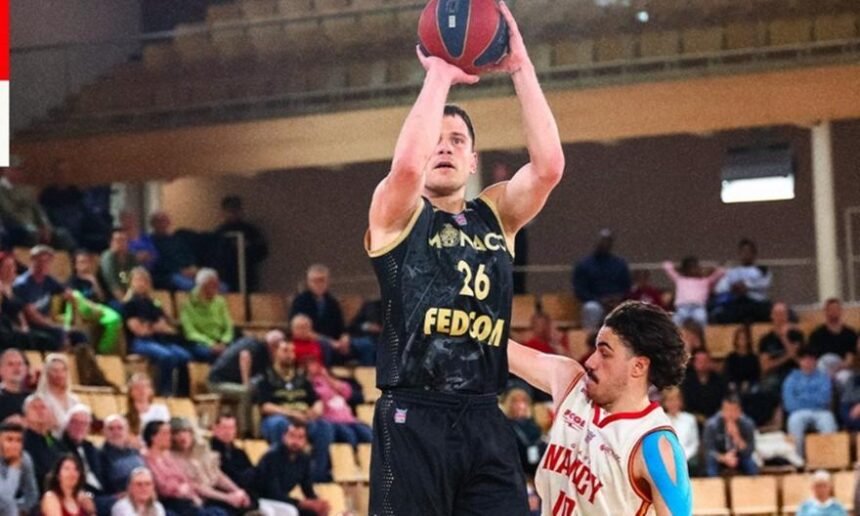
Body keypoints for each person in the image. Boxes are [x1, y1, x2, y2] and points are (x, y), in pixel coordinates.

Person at [365, 3, 565, 513]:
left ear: (473, 160)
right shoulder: (396, 214)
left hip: (483, 415)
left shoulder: (495, 213)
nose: (444, 148)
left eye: (457, 141)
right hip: (412, 414)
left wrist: (521, 67)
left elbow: (548, 167)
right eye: (436, 140)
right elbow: (405, 169)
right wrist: (438, 75)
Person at [509, 301, 691, 514]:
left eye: (605, 353)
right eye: (595, 349)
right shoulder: (571, 383)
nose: (590, 361)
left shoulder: (654, 444)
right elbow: (497, 348)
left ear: (638, 366)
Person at [252, 340, 333, 482]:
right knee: (280, 425)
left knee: (324, 427)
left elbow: (317, 400)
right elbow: (265, 407)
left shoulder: (301, 377)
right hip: (277, 418)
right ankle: (281, 474)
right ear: (275, 353)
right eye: (285, 351)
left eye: (292, 351)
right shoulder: (265, 376)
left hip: (303, 418)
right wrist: (291, 414)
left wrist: (316, 410)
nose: (290, 355)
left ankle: (317, 476)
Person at [122, 267, 191, 396]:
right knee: (167, 356)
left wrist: (153, 327)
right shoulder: (129, 305)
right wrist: (155, 327)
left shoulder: (154, 304)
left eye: (144, 281)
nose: (141, 283)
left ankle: (182, 394)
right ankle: (164, 392)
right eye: (138, 280)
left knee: (184, 356)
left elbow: (166, 326)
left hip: (159, 340)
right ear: (131, 283)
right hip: (140, 342)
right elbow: (138, 330)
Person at [169, 417, 252, 515]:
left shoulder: (201, 451)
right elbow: (196, 486)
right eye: (177, 433)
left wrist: (237, 491)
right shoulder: (170, 458)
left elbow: (217, 475)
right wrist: (227, 498)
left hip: (212, 495)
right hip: (194, 501)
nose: (182, 436)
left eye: (185, 431)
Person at [141, 420, 225, 516]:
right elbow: (163, 487)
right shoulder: (147, 460)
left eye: (169, 433)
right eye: (165, 433)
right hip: (170, 504)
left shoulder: (167, 456)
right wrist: (180, 489)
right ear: (153, 437)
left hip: (187, 500)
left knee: (219, 512)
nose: (169, 437)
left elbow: (185, 479)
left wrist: (190, 493)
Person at [13, 245, 88, 349]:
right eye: (41, 261)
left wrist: (70, 316)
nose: (44, 265)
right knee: (59, 334)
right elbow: (31, 315)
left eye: (47, 262)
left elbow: (67, 293)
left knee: (80, 336)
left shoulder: (48, 280)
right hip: (31, 325)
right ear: (32, 260)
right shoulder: (22, 284)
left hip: (47, 323)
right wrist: (53, 325)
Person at [208, 330, 280, 437]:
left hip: (232, 382)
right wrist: (246, 383)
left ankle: (260, 430)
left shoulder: (263, 351)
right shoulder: (257, 346)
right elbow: (244, 355)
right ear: (274, 345)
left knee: (261, 392)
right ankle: (246, 431)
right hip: (217, 382)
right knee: (246, 392)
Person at [255, 422, 329, 516]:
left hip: (282, 500)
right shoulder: (272, 457)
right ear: (284, 437)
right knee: (290, 511)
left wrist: (317, 502)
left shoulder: (304, 459)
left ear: (306, 441)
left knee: (312, 513)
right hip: (261, 499)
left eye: (300, 437)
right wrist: (301, 503)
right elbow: (272, 492)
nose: (295, 441)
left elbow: (307, 487)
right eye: (292, 436)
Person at [57, 404, 116, 515]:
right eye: (75, 422)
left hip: (103, 495)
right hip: (84, 496)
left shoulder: (91, 448)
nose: (79, 427)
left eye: (84, 424)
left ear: (89, 428)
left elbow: (105, 475)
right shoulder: (59, 448)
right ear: (67, 424)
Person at [782, 347, 837, 458]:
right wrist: (812, 400)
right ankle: (798, 460)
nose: (807, 362)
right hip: (798, 412)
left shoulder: (823, 377)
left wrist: (802, 398)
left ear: (815, 361)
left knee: (829, 421)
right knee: (794, 421)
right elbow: (789, 404)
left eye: (810, 359)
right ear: (799, 361)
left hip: (820, 411)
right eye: (804, 359)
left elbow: (824, 399)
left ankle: (829, 459)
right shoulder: (791, 379)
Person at [305, 357, 372, 448]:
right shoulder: (311, 386)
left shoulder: (332, 381)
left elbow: (347, 392)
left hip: (350, 420)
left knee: (369, 434)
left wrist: (326, 377)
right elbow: (316, 398)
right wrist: (311, 378)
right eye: (311, 365)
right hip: (332, 421)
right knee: (350, 436)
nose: (316, 367)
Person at [572, 229, 632, 331]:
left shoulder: (620, 264)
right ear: (597, 242)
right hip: (594, 301)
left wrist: (618, 298)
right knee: (591, 308)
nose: (604, 244)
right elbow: (580, 290)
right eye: (602, 241)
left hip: (616, 301)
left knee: (630, 310)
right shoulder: (584, 265)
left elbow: (627, 287)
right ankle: (590, 336)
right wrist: (599, 300)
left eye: (607, 241)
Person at [67, 250, 122, 354]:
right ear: (76, 266)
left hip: (98, 309)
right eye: (81, 262)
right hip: (81, 309)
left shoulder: (96, 279)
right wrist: (90, 305)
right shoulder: (72, 281)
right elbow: (71, 298)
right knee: (76, 295)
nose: (85, 265)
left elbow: (102, 298)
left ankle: (103, 351)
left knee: (115, 319)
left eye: (87, 262)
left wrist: (94, 281)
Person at [214, 195, 268, 293]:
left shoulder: (251, 231)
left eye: (236, 209)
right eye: (229, 210)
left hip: (247, 277)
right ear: (223, 212)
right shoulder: (218, 233)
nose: (233, 213)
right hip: (225, 278)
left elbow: (263, 252)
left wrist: (248, 247)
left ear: (240, 210)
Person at [711, 238, 773, 323]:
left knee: (770, 311)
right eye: (743, 251)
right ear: (739, 253)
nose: (746, 254)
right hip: (739, 302)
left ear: (754, 254)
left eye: (748, 251)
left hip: (757, 302)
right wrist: (732, 288)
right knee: (720, 314)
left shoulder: (762, 270)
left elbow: (766, 283)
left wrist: (747, 286)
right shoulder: (733, 271)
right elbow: (721, 288)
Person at [178, 268, 234, 362]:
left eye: (217, 284)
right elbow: (190, 332)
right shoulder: (187, 304)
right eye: (213, 285)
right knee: (213, 355)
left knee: (237, 352)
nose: (217, 288)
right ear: (202, 287)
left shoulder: (220, 301)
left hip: (220, 341)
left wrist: (224, 341)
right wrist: (211, 344)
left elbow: (228, 326)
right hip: (201, 343)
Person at [702, 394, 758, 477]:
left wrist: (737, 437)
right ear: (722, 410)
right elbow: (708, 450)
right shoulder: (711, 425)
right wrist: (724, 458)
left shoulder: (748, 424)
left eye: (733, 410)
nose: (730, 414)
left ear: (740, 411)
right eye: (727, 410)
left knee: (750, 464)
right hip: (719, 457)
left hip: (740, 457)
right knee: (710, 463)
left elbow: (750, 450)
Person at [662, 256, 724, 327]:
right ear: (685, 270)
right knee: (675, 323)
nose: (693, 270)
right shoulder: (680, 279)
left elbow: (721, 272)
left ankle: (701, 334)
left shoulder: (705, 281)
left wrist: (712, 268)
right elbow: (667, 267)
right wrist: (677, 267)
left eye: (695, 267)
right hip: (682, 308)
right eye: (690, 268)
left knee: (701, 320)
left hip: (698, 308)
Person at [500, 387, 545, 479]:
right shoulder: (503, 426)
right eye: (515, 401)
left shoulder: (533, 425)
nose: (521, 406)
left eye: (524, 401)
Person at [808, 298, 857, 383]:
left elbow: (849, 359)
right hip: (821, 370)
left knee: (845, 379)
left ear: (841, 311)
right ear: (825, 312)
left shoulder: (850, 333)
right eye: (830, 309)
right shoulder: (816, 334)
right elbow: (812, 358)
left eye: (836, 309)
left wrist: (837, 369)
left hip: (842, 370)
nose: (834, 312)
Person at [22, 393, 61, 493]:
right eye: (34, 408)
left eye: (43, 407)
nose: (39, 411)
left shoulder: (53, 441)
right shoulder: (22, 442)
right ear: (25, 416)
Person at [99, 415, 146, 496]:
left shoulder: (135, 452)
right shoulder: (99, 456)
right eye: (111, 429)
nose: (116, 432)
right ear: (104, 432)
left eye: (120, 428)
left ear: (127, 431)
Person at [36, 354, 81, 436]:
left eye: (63, 370)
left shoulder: (74, 400)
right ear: (47, 373)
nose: (60, 374)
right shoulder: (41, 399)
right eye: (55, 370)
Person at [0, 421, 39, 515]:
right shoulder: (17, 462)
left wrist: (20, 509)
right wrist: (14, 467)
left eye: (19, 440)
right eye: (9, 440)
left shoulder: (24, 458)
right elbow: (5, 498)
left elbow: (32, 494)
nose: (14, 445)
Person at [207, 415, 254, 491]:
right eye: (224, 427)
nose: (228, 432)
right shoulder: (208, 451)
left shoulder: (240, 453)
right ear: (215, 429)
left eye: (232, 428)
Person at [661, 387, 700, 477]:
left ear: (680, 401)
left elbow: (694, 444)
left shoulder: (690, 419)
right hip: (666, 458)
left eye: (675, 400)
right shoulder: (661, 420)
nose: (673, 403)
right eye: (670, 400)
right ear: (664, 403)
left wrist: (683, 456)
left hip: (686, 457)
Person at [680, 349, 727, 424]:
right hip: (693, 419)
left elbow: (723, 402)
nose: (702, 364)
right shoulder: (687, 382)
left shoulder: (719, 381)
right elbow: (685, 404)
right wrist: (698, 417)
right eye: (699, 361)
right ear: (694, 363)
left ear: (710, 362)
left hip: (716, 420)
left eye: (705, 361)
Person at [100, 229, 139, 307]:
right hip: (110, 298)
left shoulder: (131, 257)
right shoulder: (108, 257)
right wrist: (125, 303)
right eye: (117, 240)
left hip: (129, 295)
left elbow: (137, 276)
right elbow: (112, 283)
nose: (121, 243)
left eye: (123, 240)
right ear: (111, 242)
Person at [723, 325, 760, 394]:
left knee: (755, 389)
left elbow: (756, 375)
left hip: (750, 385)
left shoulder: (753, 358)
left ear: (748, 340)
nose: (742, 340)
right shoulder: (731, 357)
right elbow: (727, 374)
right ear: (736, 340)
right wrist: (734, 384)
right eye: (740, 338)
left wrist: (748, 383)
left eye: (744, 338)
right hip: (734, 385)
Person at [0, 348, 32, 422]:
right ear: (1, 369)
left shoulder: (33, 398)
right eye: (10, 364)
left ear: (26, 369)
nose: (17, 368)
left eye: (20, 364)